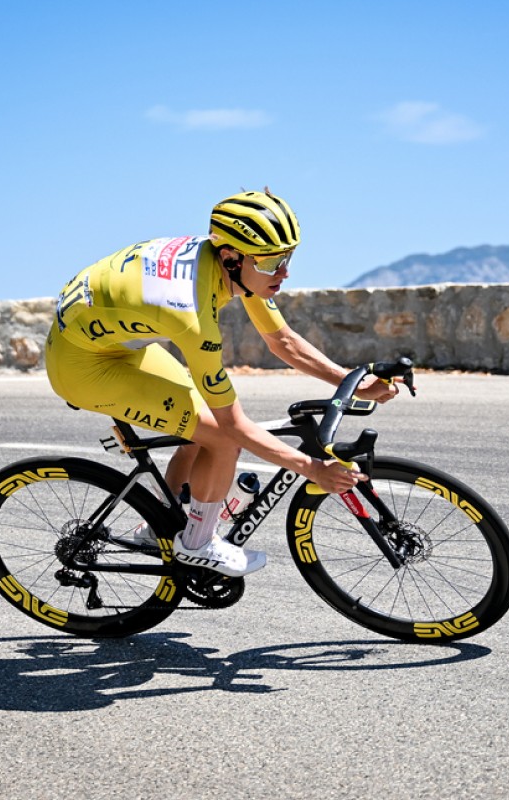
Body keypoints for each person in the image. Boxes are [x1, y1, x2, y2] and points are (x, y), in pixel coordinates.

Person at [44, 189, 399, 577]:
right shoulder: (190, 313)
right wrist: (311, 467)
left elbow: (281, 341)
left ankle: (156, 528)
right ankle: (197, 543)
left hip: (115, 345)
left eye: (288, 258)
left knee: (203, 424)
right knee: (221, 435)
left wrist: (353, 382)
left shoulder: (234, 264)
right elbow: (233, 426)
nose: (285, 272)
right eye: (274, 262)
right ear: (231, 257)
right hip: (83, 367)